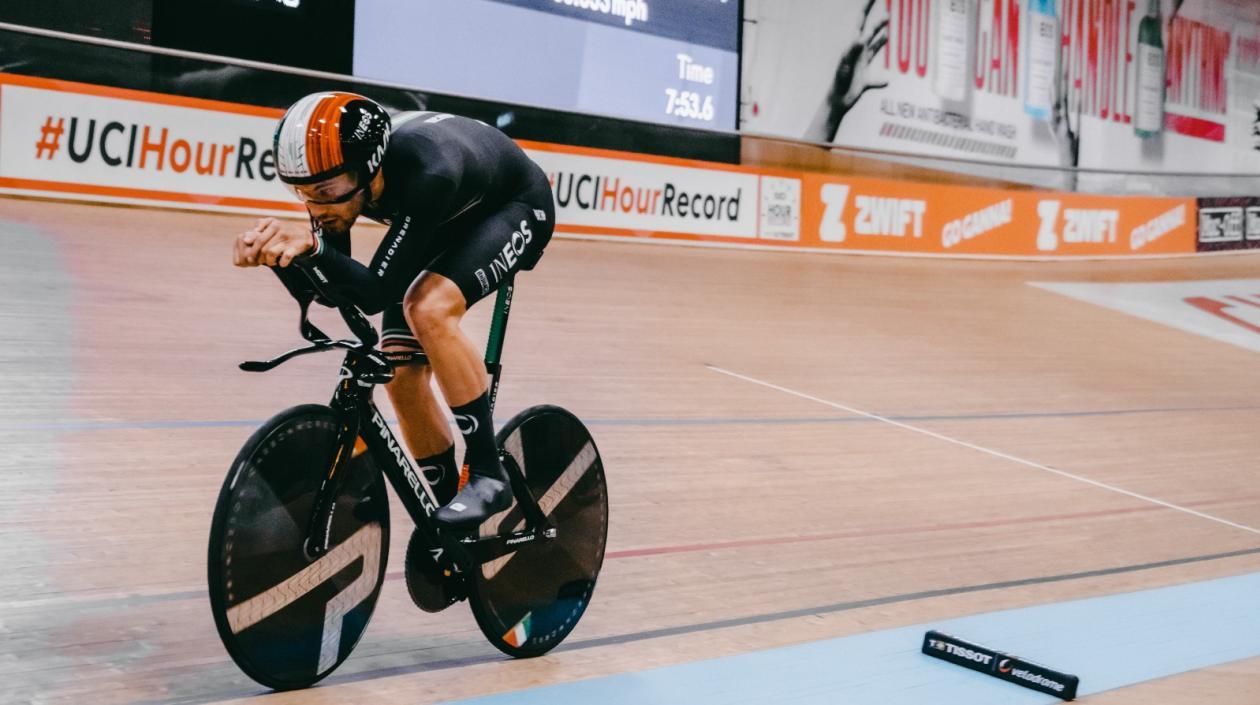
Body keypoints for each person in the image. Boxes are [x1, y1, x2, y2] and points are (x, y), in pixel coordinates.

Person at [232, 91, 554, 531]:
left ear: (369, 168)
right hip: (444, 214)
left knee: (428, 308)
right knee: (400, 373)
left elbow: (375, 294)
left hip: (512, 204)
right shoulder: (335, 182)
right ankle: (451, 518)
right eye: (302, 193)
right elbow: (336, 291)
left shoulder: (429, 171)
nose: (315, 207)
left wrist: (312, 248)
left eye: (325, 192)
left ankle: (486, 474)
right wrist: (284, 259)